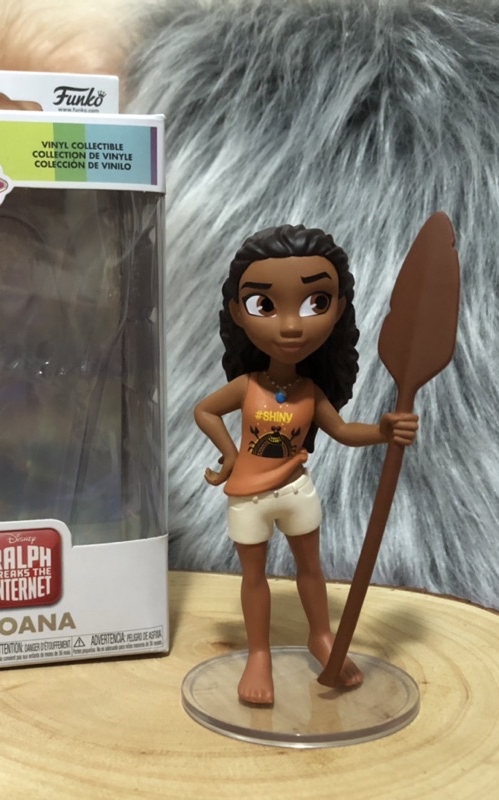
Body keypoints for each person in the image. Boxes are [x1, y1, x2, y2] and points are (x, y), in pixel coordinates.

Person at [194, 224, 418, 704]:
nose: (292, 326)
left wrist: (383, 431)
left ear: (338, 309)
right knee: (253, 576)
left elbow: (342, 431)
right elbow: (205, 411)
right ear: (238, 311)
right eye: (265, 305)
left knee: (311, 569)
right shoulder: (248, 385)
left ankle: (321, 636)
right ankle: (259, 654)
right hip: (249, 497)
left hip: (297, 492)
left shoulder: (310, 392)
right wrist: (230, 455)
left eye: (316, 302)